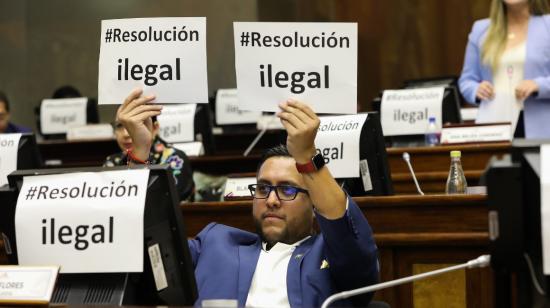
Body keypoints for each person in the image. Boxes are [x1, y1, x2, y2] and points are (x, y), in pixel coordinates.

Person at [117, 88, 379, 307]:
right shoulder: (215, 244)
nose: (272, 200)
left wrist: (307, 155)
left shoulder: (331, 256)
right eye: (263, 188)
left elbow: (345, 229)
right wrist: (139, 154)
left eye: (287, 190)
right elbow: (148, 250)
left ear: (313, 203)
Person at [458, 0, 550, 138]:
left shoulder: (547, 25)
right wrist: (476, 89)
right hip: (493, 126)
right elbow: (466, 80)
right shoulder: (481, 29)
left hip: (540, 128)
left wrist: (538, 85)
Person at [104, 113, 194, 202]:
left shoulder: (175, 159)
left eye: (134, 125)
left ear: (155, 128)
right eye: (119, 125)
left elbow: (164, 204)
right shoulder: (113, 161)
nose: (125, 134)